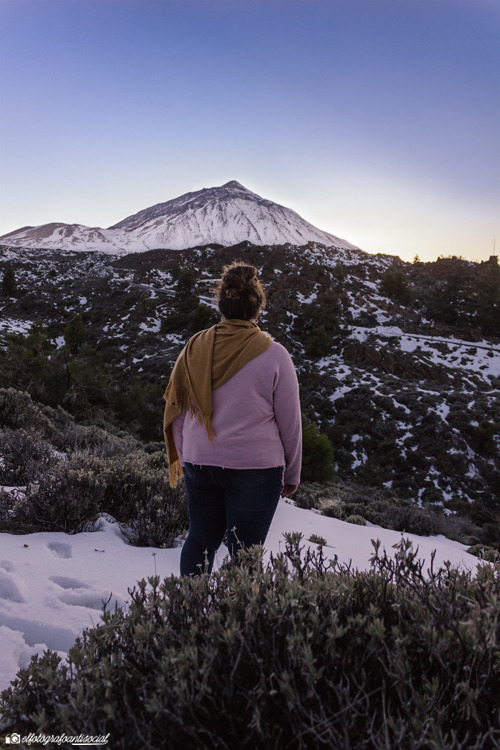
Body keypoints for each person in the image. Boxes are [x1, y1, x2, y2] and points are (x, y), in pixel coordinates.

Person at [163, 261, 302, 576]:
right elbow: (290, 425)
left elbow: (179, 411)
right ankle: (236, 622)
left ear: (222, 305)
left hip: (201, 463)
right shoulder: (275, 354)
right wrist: (292, 473)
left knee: (199, 541)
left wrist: (185, 457)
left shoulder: (194, 348)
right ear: (257, 309)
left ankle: (190, 612)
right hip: (257, 468)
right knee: (246, 554)